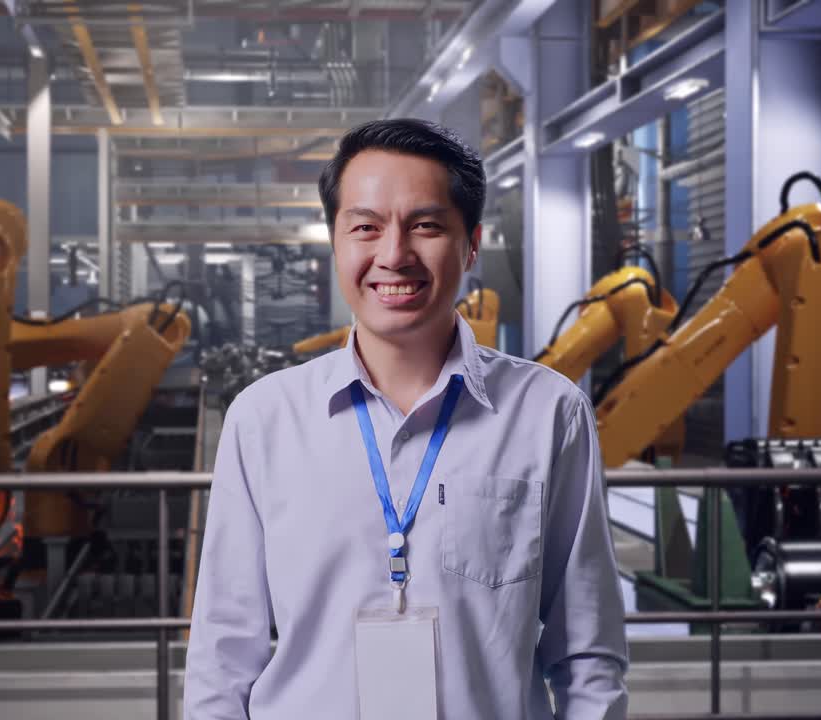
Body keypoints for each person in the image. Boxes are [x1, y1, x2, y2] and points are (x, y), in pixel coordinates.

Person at [184, 118, 628, 719]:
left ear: (471, 243)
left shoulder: (548, 415)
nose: (394, 255)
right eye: (365, 227)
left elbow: (587, 654)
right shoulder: (264, 421)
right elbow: (222, 655)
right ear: (336, 241)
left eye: (425, 226)